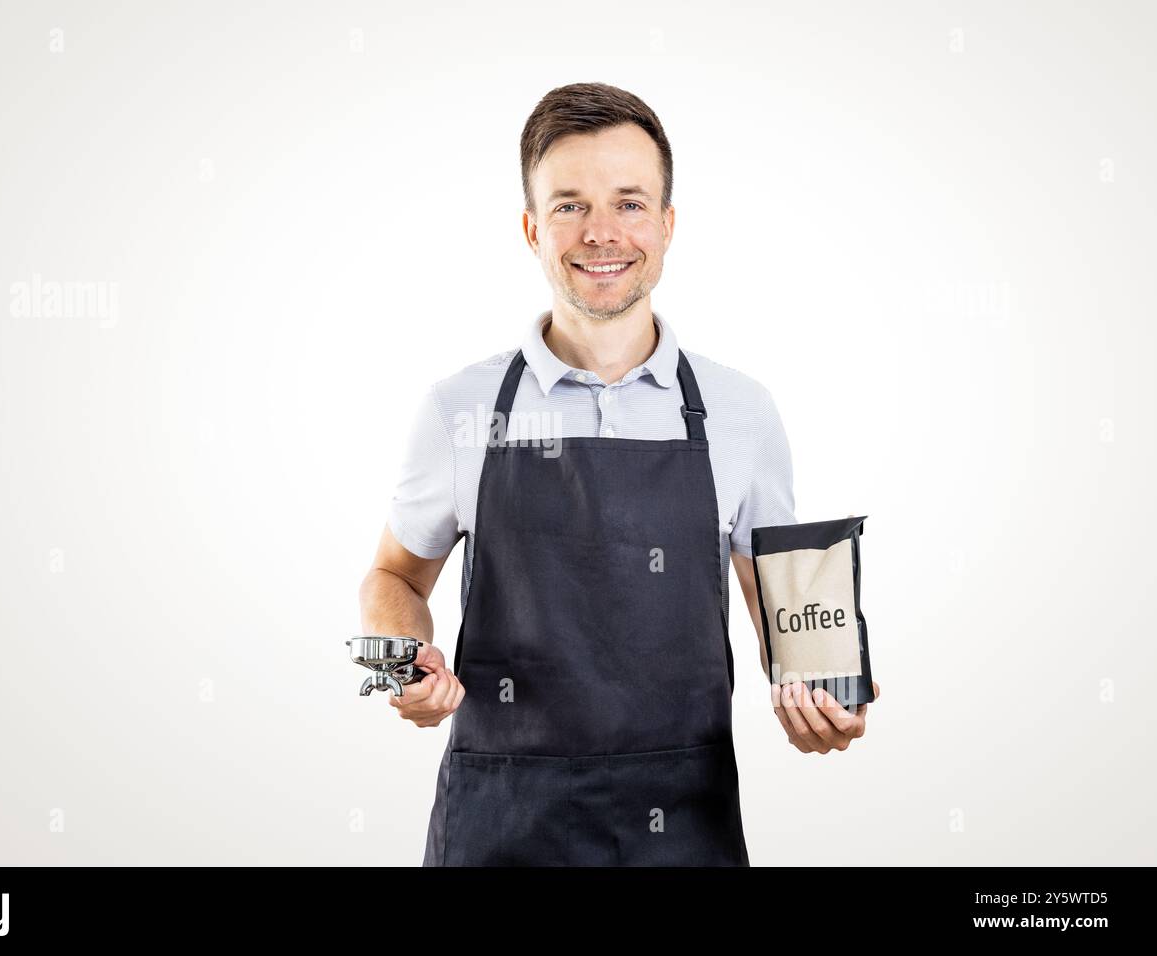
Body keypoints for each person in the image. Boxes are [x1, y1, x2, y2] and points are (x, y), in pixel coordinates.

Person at [358, 82, 879, 866]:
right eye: (569, 205)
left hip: (685, 821)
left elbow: (786, 617)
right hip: (499, 822)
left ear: (668, 226)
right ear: (532, 229)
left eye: (630, 203)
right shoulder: (457, 410)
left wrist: (819, 702)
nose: (602, 232)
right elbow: (393, 574)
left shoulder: (741, 414)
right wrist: (400, 662)